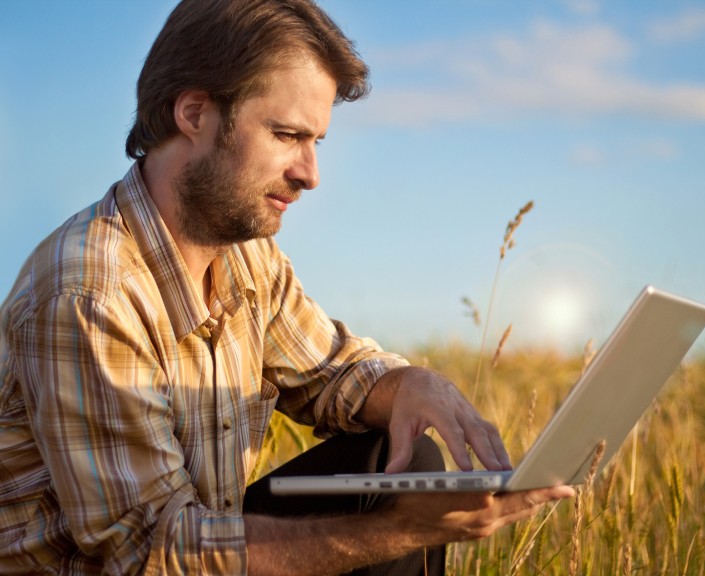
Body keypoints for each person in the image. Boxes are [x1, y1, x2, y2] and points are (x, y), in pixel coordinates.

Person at [0, 0, 574, 574]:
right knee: (392, 516)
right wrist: (398, 531)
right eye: (285, 135)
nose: (310, 173)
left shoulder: (248, 256)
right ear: (195, 113)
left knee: (395, 458)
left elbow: (331, 371)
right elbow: (151, 550)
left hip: (193, 539)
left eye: (316, 141)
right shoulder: (88, 294)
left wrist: (409, 385)